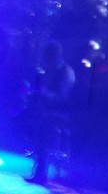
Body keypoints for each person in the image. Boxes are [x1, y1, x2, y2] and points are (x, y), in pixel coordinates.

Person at [25, 39, 76, 183]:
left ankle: (43, 174)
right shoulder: (50, 70)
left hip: (60, 114)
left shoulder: (66, 71)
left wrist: (43, 93)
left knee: (45, 137)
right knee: (40, 135)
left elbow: (62, 96)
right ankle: (40, 172)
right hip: (49, 112)